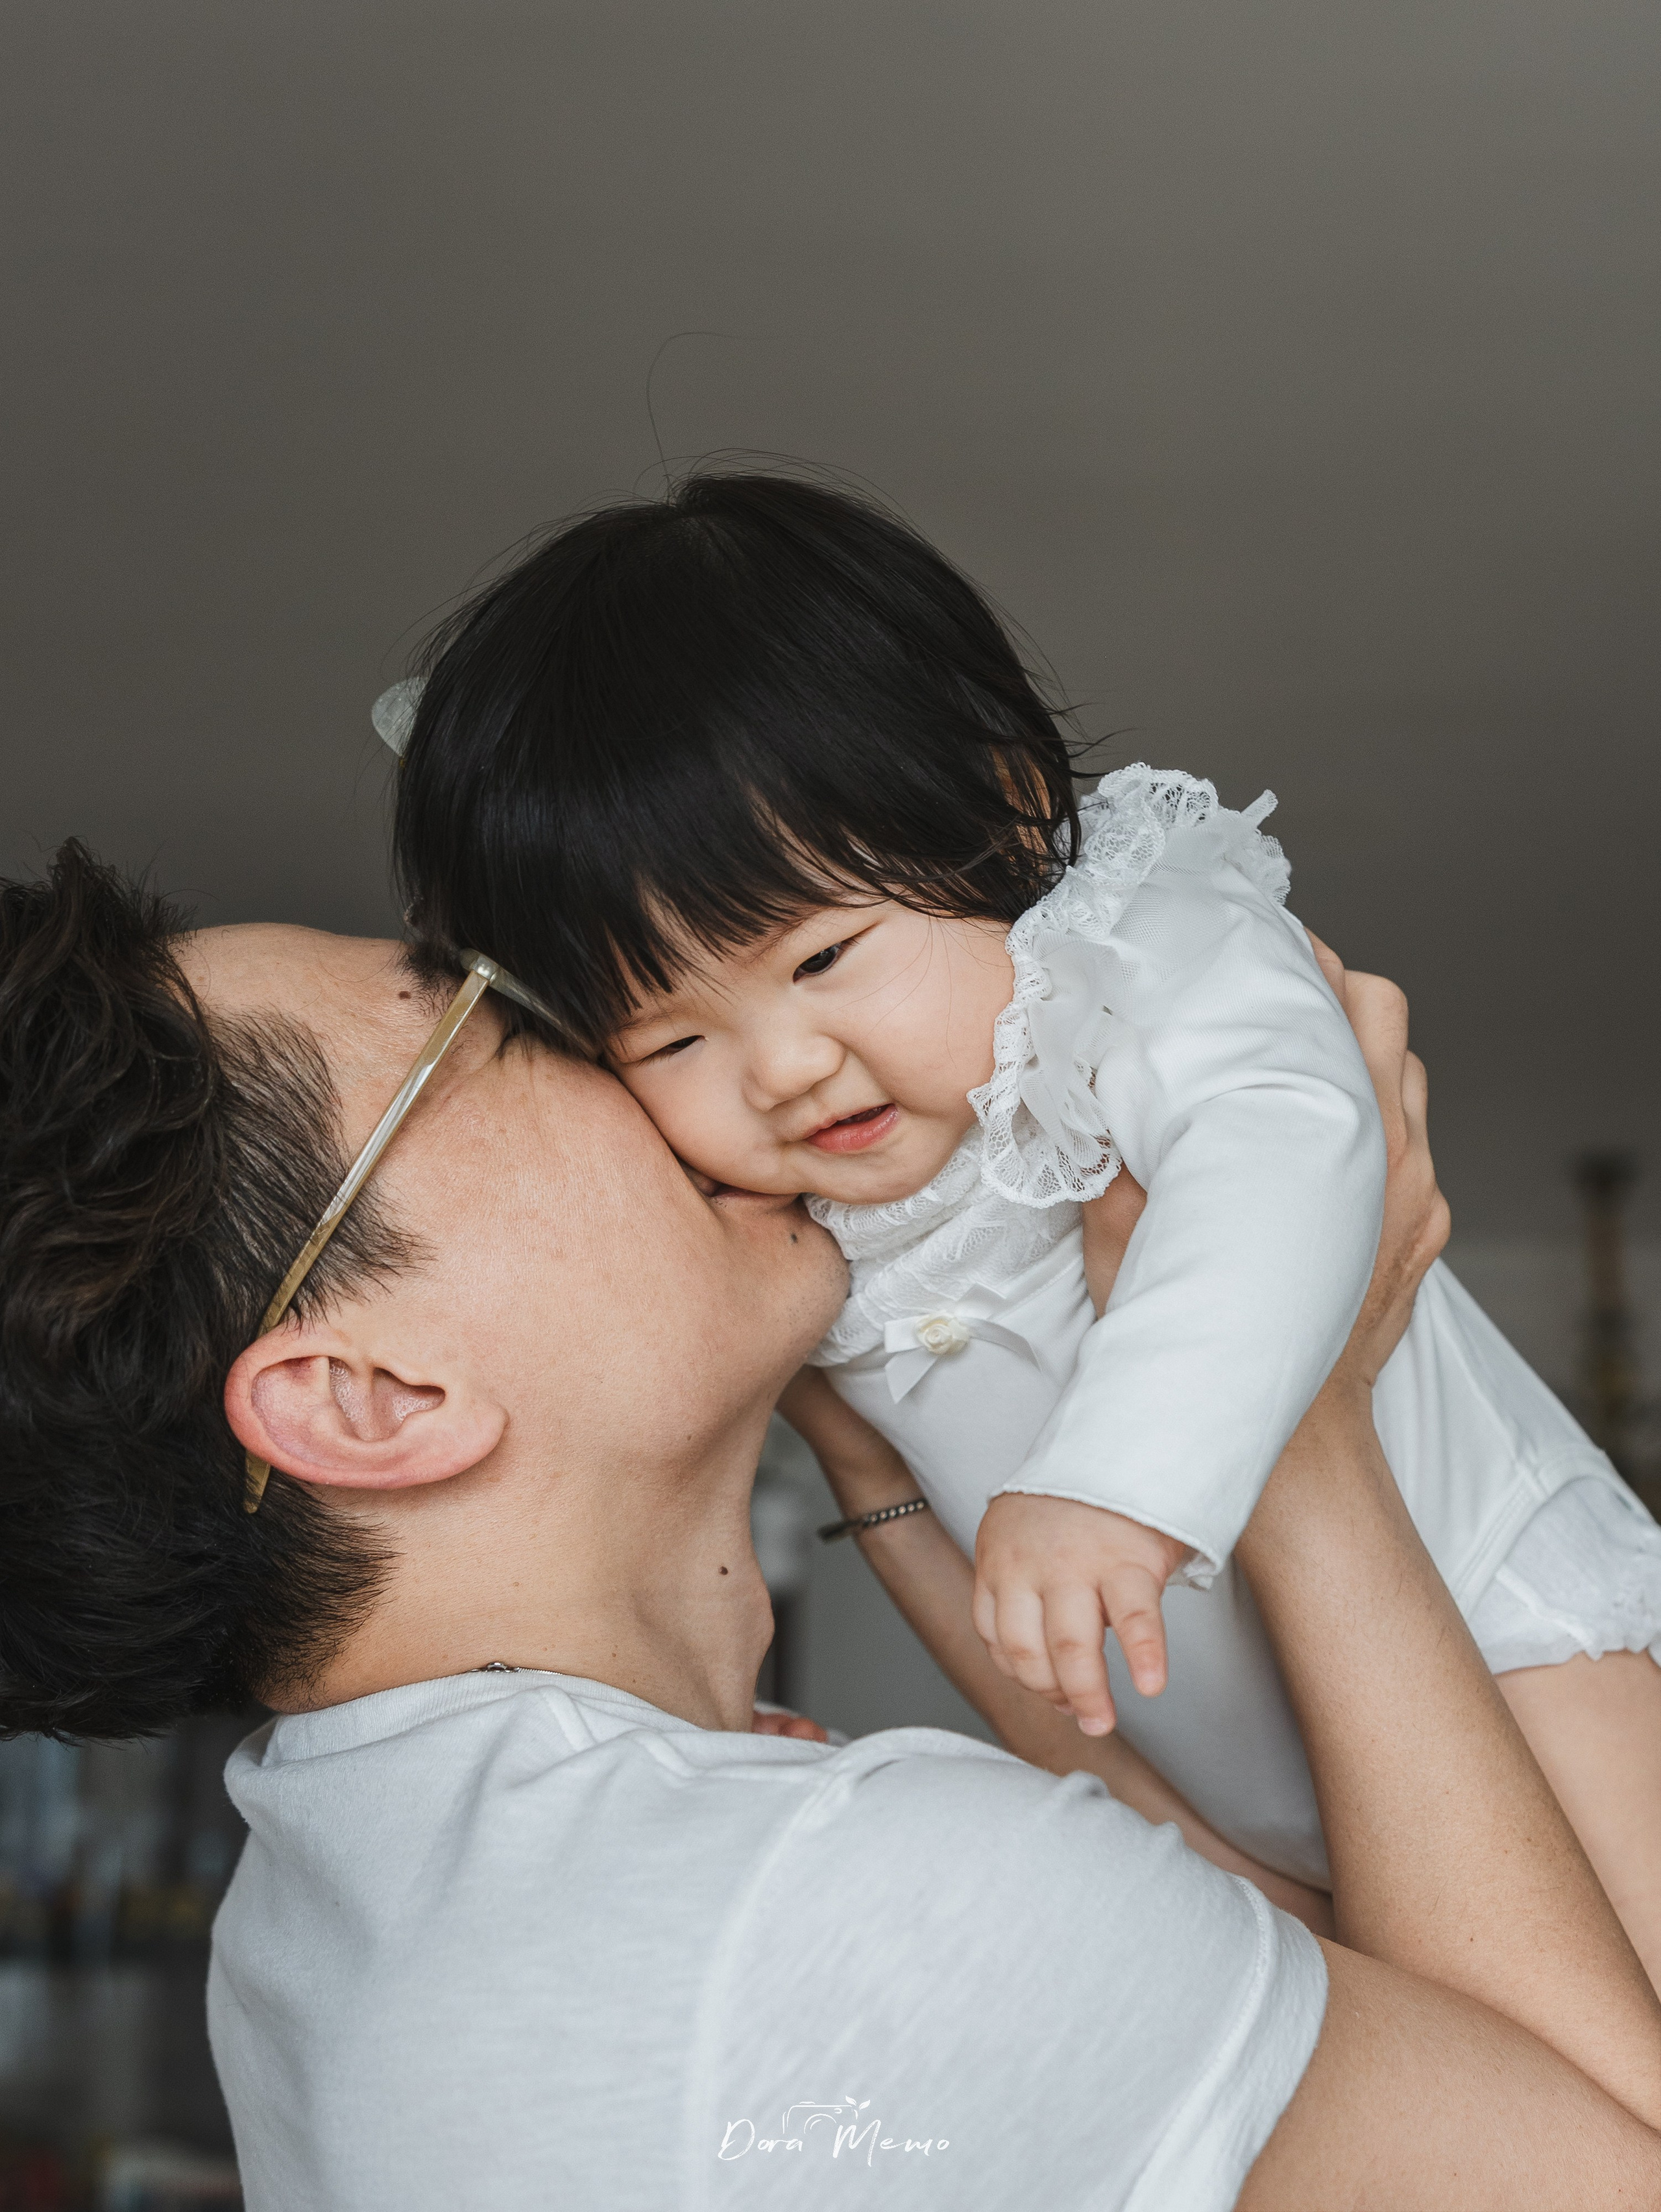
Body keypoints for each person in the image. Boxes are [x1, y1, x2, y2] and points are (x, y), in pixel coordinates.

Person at [3, 843, 1660, 2208]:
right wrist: (1290, 1421)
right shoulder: (805, 1911)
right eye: (492, 1026)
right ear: (370, 1397)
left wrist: (872, 1449)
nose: (620, 1033)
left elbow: (1317, 2010)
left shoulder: (358, 1900)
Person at [378, 468, 1661, 1947]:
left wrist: (1116, 1477)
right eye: (672, 1037)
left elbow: (1285, 1143)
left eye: (821, 959)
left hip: (1513, 1630)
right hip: (1245, 1794)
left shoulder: (1129, 947)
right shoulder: (767, 1205)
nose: (785, 1069)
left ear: (1002, 808)